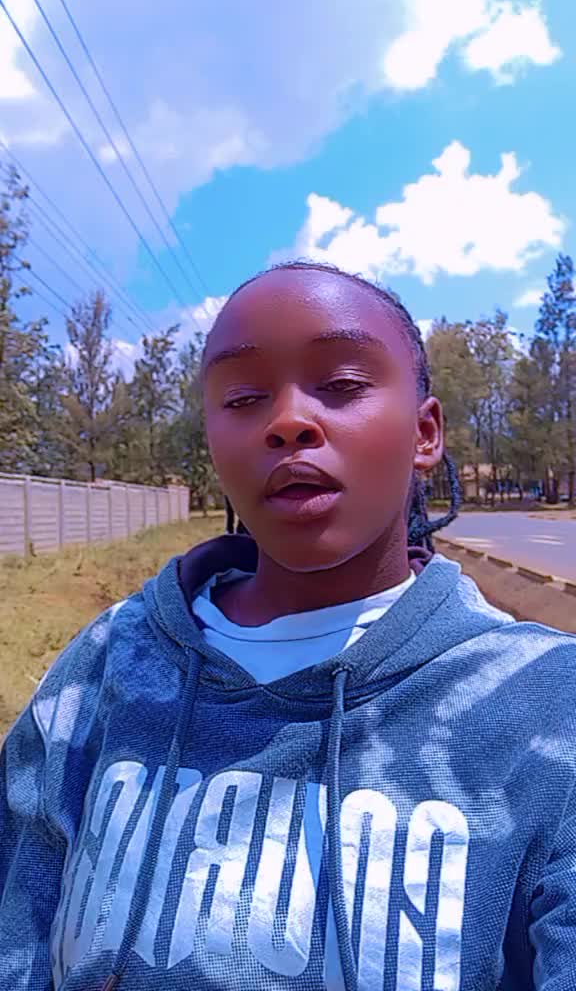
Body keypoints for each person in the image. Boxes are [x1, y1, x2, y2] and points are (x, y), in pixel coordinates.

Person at [1, 262, 575, 991]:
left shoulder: (547, 703)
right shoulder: (108, 663)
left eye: (342, 384)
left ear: (425, 433)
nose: (288, 422)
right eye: (243, 398)